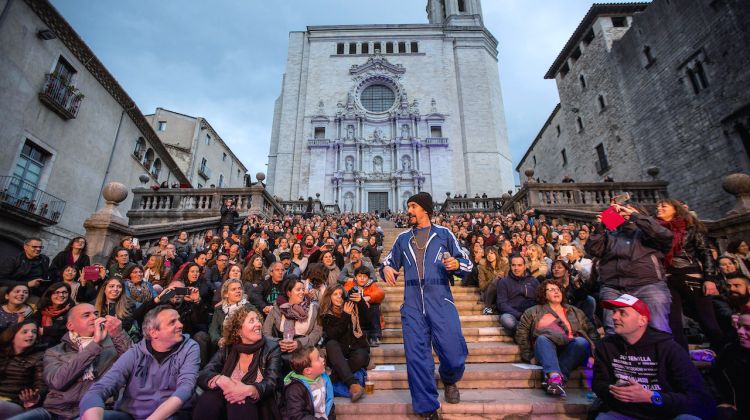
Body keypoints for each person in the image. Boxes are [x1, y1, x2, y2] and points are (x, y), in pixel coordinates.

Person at [380, 192, 471, 417]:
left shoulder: (444, 234)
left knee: (453, 352)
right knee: (417, 357)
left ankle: (449, 379)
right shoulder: (402, 238)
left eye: (412, 206)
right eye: (408, 206)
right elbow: (387, 262)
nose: (408, 210)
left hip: (440, 298)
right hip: (411, 302)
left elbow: (467, 264)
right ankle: (427, 407)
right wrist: (386, 269)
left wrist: (455, 264)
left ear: (425, 209)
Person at [592, 294, 715, 420]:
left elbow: (699, 397)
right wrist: (614, 391)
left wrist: (652, 397)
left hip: (666, 413)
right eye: (614, 312)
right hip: (625, 413)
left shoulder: (669, 348)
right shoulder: (605, 346)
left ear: (642, 320)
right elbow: (598, 383)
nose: (614, 317)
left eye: (622, 313)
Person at [79, 307, 199, 420]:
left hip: (168, 415)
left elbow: (186, 388)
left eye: (179, 320)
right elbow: (101, 388)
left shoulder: (190, 347)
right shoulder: (135, 353)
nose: (180, 325)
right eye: (172, 322)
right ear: (154, 333)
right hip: (130, 415)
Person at [16, 303, 131, 420]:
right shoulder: (55, 351)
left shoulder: (113, 345)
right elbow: (58, 382)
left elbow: (135, 365)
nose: (94, 317)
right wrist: (94, 345)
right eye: (86, 315)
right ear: (70, 325)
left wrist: (118, 334)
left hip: (98, 409)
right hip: (55, 411)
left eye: (96, 314)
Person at [585, 203, 674, 335]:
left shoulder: (648, 230)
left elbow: (664, 235)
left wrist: (635, 216)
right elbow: (593, 249)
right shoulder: (610, 234)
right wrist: (600, 226)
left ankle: (660, 355)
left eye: (627, 209)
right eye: (619, 211)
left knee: (657, 328)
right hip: (614, 287)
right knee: (614, 330)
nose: (623, 212)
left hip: (648, 284)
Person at [655, 199, 723, 351]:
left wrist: (709, 279)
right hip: (667, 278)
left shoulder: (690, 227)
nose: (659, 208)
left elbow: (705, 253)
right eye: (658, 206)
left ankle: (724, 355)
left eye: (663, 206)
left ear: (675, 209)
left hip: (691, 276)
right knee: (674, 323)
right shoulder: (655, 229)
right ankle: (682, 359)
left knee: (707, 319)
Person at [195, 306, 282, 420]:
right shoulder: (229, 348)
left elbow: (272, 383)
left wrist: (249, 390)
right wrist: (222, 380)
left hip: (259, 403)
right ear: (238, 331)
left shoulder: (271, 348)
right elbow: (204, 373)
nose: (258, 324)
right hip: (228, 401)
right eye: (252, 321)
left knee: (240, 403)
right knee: (209, 399)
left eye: (258, 319)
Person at [515, 279, 598, 397]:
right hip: (546, 349)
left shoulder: (574, 311)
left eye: (558, 289)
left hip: (571, 350)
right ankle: (554, 377)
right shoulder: (533, 312)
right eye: (552, 289)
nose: (556, 292)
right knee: (542, 339)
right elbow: (521, 334)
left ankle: (555, 381)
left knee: (581, 341)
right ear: (544, 293)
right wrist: (529, 356)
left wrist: (593, 355)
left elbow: (592, 332)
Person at [318, 284, 369, 402]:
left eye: (341, 294)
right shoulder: (326, 315)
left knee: (362, 355)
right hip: (338, 353)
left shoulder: (352, 306)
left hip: (355, 350)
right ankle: (353, 384)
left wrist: (360, 302)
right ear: (329, 297)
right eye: (335, 294)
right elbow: (333, 334)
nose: (339, 297)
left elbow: (367, 321)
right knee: (331, 343)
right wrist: (345, 315)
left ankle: (334, 378)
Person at [262, 278, 322, 367]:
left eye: (303, 289)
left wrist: (299, 343)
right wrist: (279, 342)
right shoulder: (277, 308)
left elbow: (317, 333)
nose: (302, 292)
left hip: (304, 349)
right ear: (289, 293)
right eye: (298, 290)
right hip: (280, 348)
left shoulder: (313, 308)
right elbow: (266, 332)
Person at [0, 320, 45, 418]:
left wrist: (35, 397)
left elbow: (40, 383)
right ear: (12, 336)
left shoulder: (38, 357)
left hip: (15, 402)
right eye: (25, 332)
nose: (31, 335)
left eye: (34, 332)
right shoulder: (2, 353)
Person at [710, 310, 750, 420]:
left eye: (747, 328)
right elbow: (713, 374)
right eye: (739, 326)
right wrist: (723, 400)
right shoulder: (731, 350)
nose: (740, 331)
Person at [281, 346, 335, 420]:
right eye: (318, 358)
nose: (323, 359)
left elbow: (329, 402)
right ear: (308, 371)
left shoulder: (324, 379)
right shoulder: (294, 389)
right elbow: (297, 416)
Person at [496, 254, 539, 336]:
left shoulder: (533, 281)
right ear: (510, 266)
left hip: (531, 314)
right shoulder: (504, 282)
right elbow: (501, 304)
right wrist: (519, 315)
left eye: (519, 265)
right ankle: (526, 331)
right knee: (506, 320)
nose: (516, 268)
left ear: (524, 266)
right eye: (513, 265)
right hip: (513, 315)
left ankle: (523, 332)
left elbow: (539, 299)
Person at [343, 265, 385, 347]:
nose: (362, 279)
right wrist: (361, 301)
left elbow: (381, 293)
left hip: (368, 315)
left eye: (365, 277)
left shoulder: (372, 285)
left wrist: (368, 298)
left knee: (375, 306)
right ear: (355, 277)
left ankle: (374, 336)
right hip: (354, 313)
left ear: (368, 278)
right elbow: (346, 294)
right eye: (359, 276)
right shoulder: (350, 284)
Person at [209, 279, 256, 349]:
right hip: (223, 345)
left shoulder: (249, 308)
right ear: (226, 294)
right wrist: (219, 340)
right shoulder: (219, 309)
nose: (238, 291)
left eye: (239, 288)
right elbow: (213, 329)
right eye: (234, 289)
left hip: (243, 344)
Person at [32, 282, 74, 349]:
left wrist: (44, 330)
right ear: (50, 294)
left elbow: (66, 329)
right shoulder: (44, 308)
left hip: (59, 346)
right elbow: (32, 321)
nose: (61, 295)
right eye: (56, 292)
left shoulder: (72, 309)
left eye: (64, 292)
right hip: (38, 341)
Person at [480, 246, 509, 315]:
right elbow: (482, 287)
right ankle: (488, 307)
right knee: (496, 280)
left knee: (499, 280)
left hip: (502, 291)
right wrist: (494, 278)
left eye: (492, 253)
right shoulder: (482, 267)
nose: (489, 255)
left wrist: (503, 277)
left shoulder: (504, 265)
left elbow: (509, 280)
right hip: (487, 293)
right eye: (487, 254)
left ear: (496, 254)